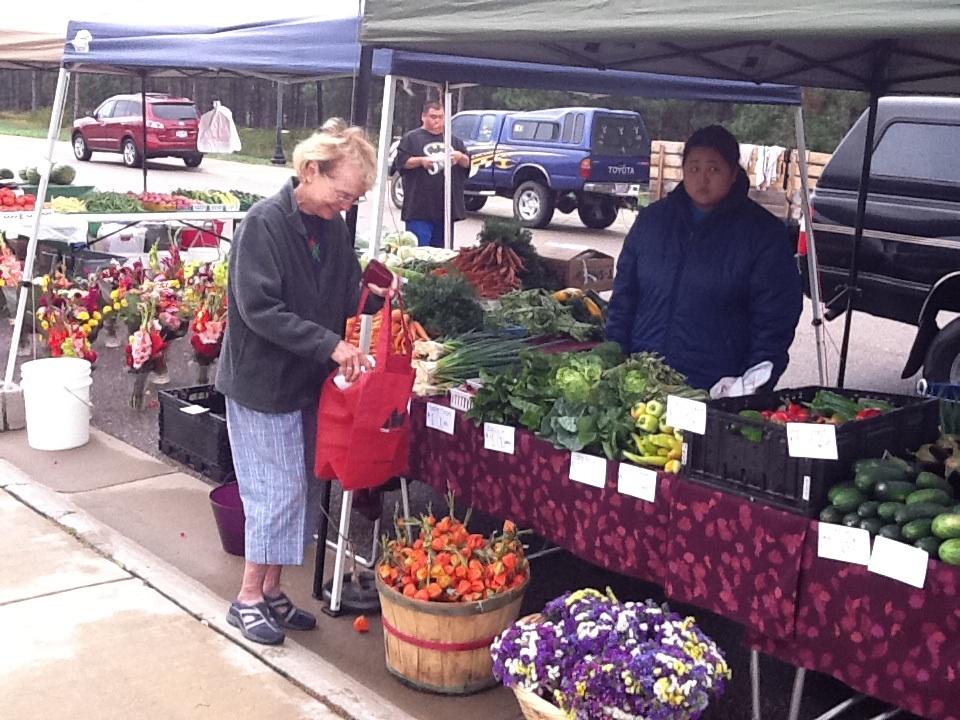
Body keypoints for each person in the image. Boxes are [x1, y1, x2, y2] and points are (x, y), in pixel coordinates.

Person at [215, 118, 398, 645]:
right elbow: (260, 310)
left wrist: (372, 297)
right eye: (342, 194)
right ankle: (247, 598)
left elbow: (343, 295)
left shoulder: (332, 229)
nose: (345, 206)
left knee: (298, 490)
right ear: (311, 171)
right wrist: (331, 346)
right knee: (274, 492)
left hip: (306, 382)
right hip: (262, 384)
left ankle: (272, 590)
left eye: (353, 199)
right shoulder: (263, 224)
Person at [606, 125, 802, 392]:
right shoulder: (652, 221)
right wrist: (615, 358)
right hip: (643, 380)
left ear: (733, 174)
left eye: (713, 169)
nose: (702, 179)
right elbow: (624, 298)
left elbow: (774, 320)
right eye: (694, 168)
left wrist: (750, 386)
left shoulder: (763, 233)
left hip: (716, 388)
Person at [395, 101, 471, 248]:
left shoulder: (453, 141)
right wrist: (421, 161)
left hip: (445, 209)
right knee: (419, 252)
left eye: (441, 117)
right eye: (433, 117)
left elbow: (468, 163)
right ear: (423, 117)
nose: (437, 121)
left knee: (442, 254)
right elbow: (402, 162)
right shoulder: (412, 138)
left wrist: (460, 157)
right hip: (419, 209)